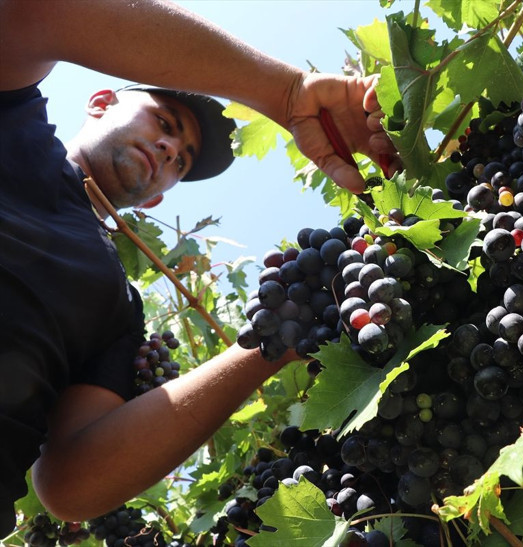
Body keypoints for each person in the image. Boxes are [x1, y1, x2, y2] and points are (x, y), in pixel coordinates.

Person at [0, 0, 398, 535]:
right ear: (98, 102)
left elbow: (71, 484)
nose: (169, 150)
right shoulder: (14, 124)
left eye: (181, 161)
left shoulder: (120, 308)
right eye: (164, 123)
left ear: (158, 201)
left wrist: (277, 333)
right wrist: (286, 92)